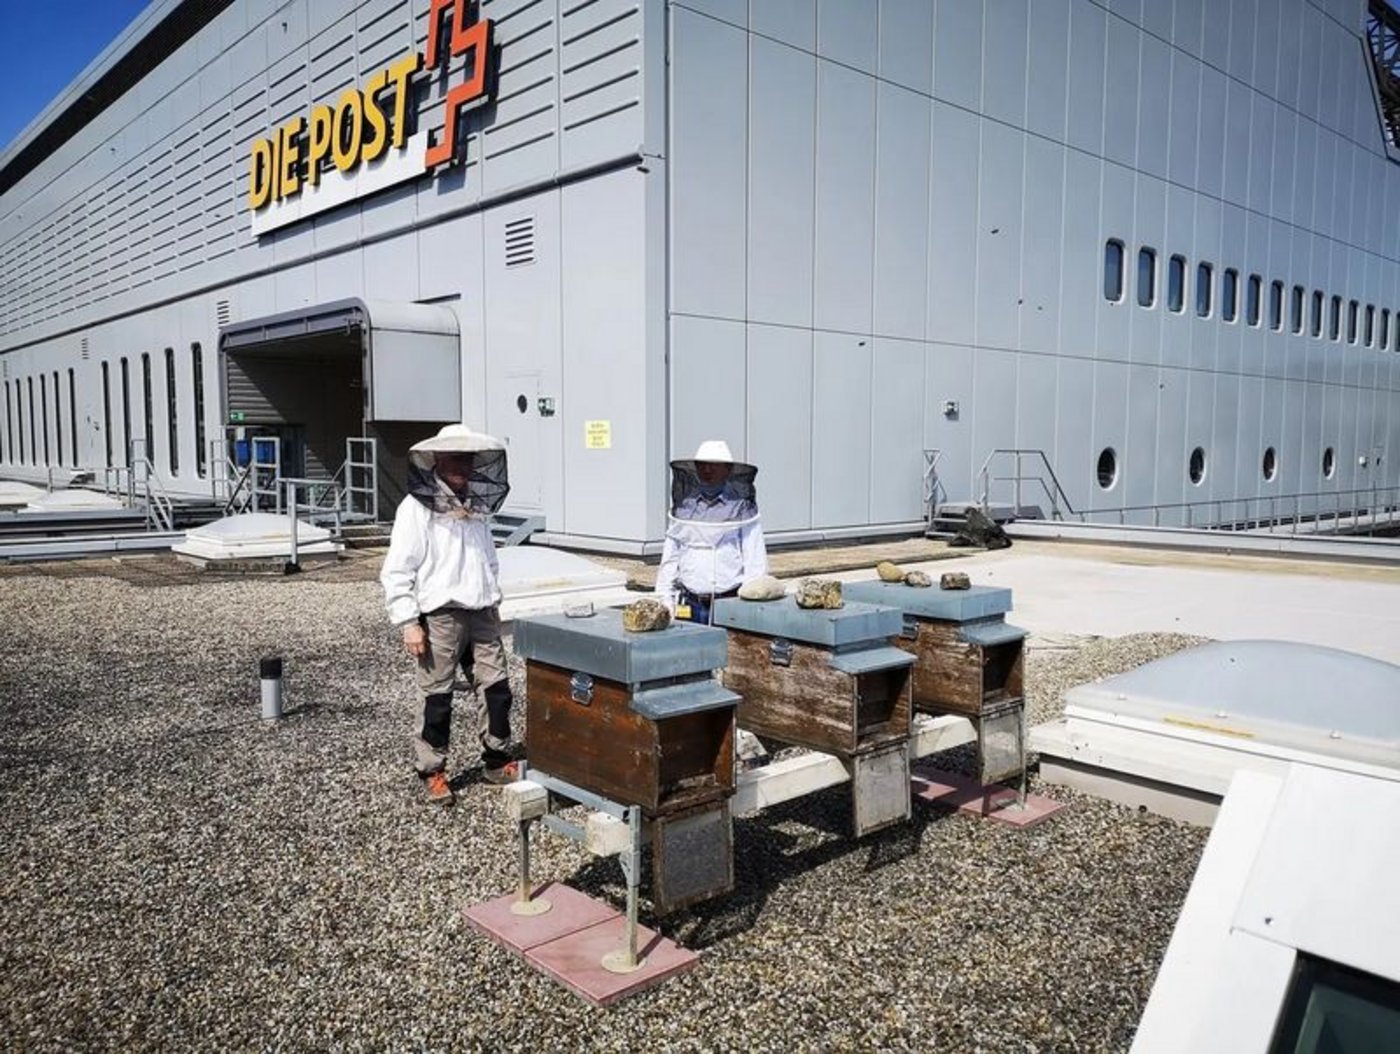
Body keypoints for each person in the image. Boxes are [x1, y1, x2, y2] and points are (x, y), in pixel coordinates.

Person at [380, 424, 518, 805]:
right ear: (437, 459)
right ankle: (432, 770)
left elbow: (488, 559)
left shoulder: (476, 507)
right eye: (455, 457)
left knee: (497, 690)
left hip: (482, 612)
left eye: (467, 458)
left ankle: (496, 759)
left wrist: (495, 599)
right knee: (437, 697)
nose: (462, 465)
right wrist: (408, 621)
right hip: (439, 615)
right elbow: (397, 569)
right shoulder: (416, 507)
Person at [655, 439, 768, 624]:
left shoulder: (741, 509)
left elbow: (755, 561)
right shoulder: (685, 508)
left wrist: (749, 608)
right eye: (702, 465)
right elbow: (670, 557)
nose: (707, 470)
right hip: (688, 604)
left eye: (714, 465)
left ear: (728, 470)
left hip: (730, 605)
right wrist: (665, 598)